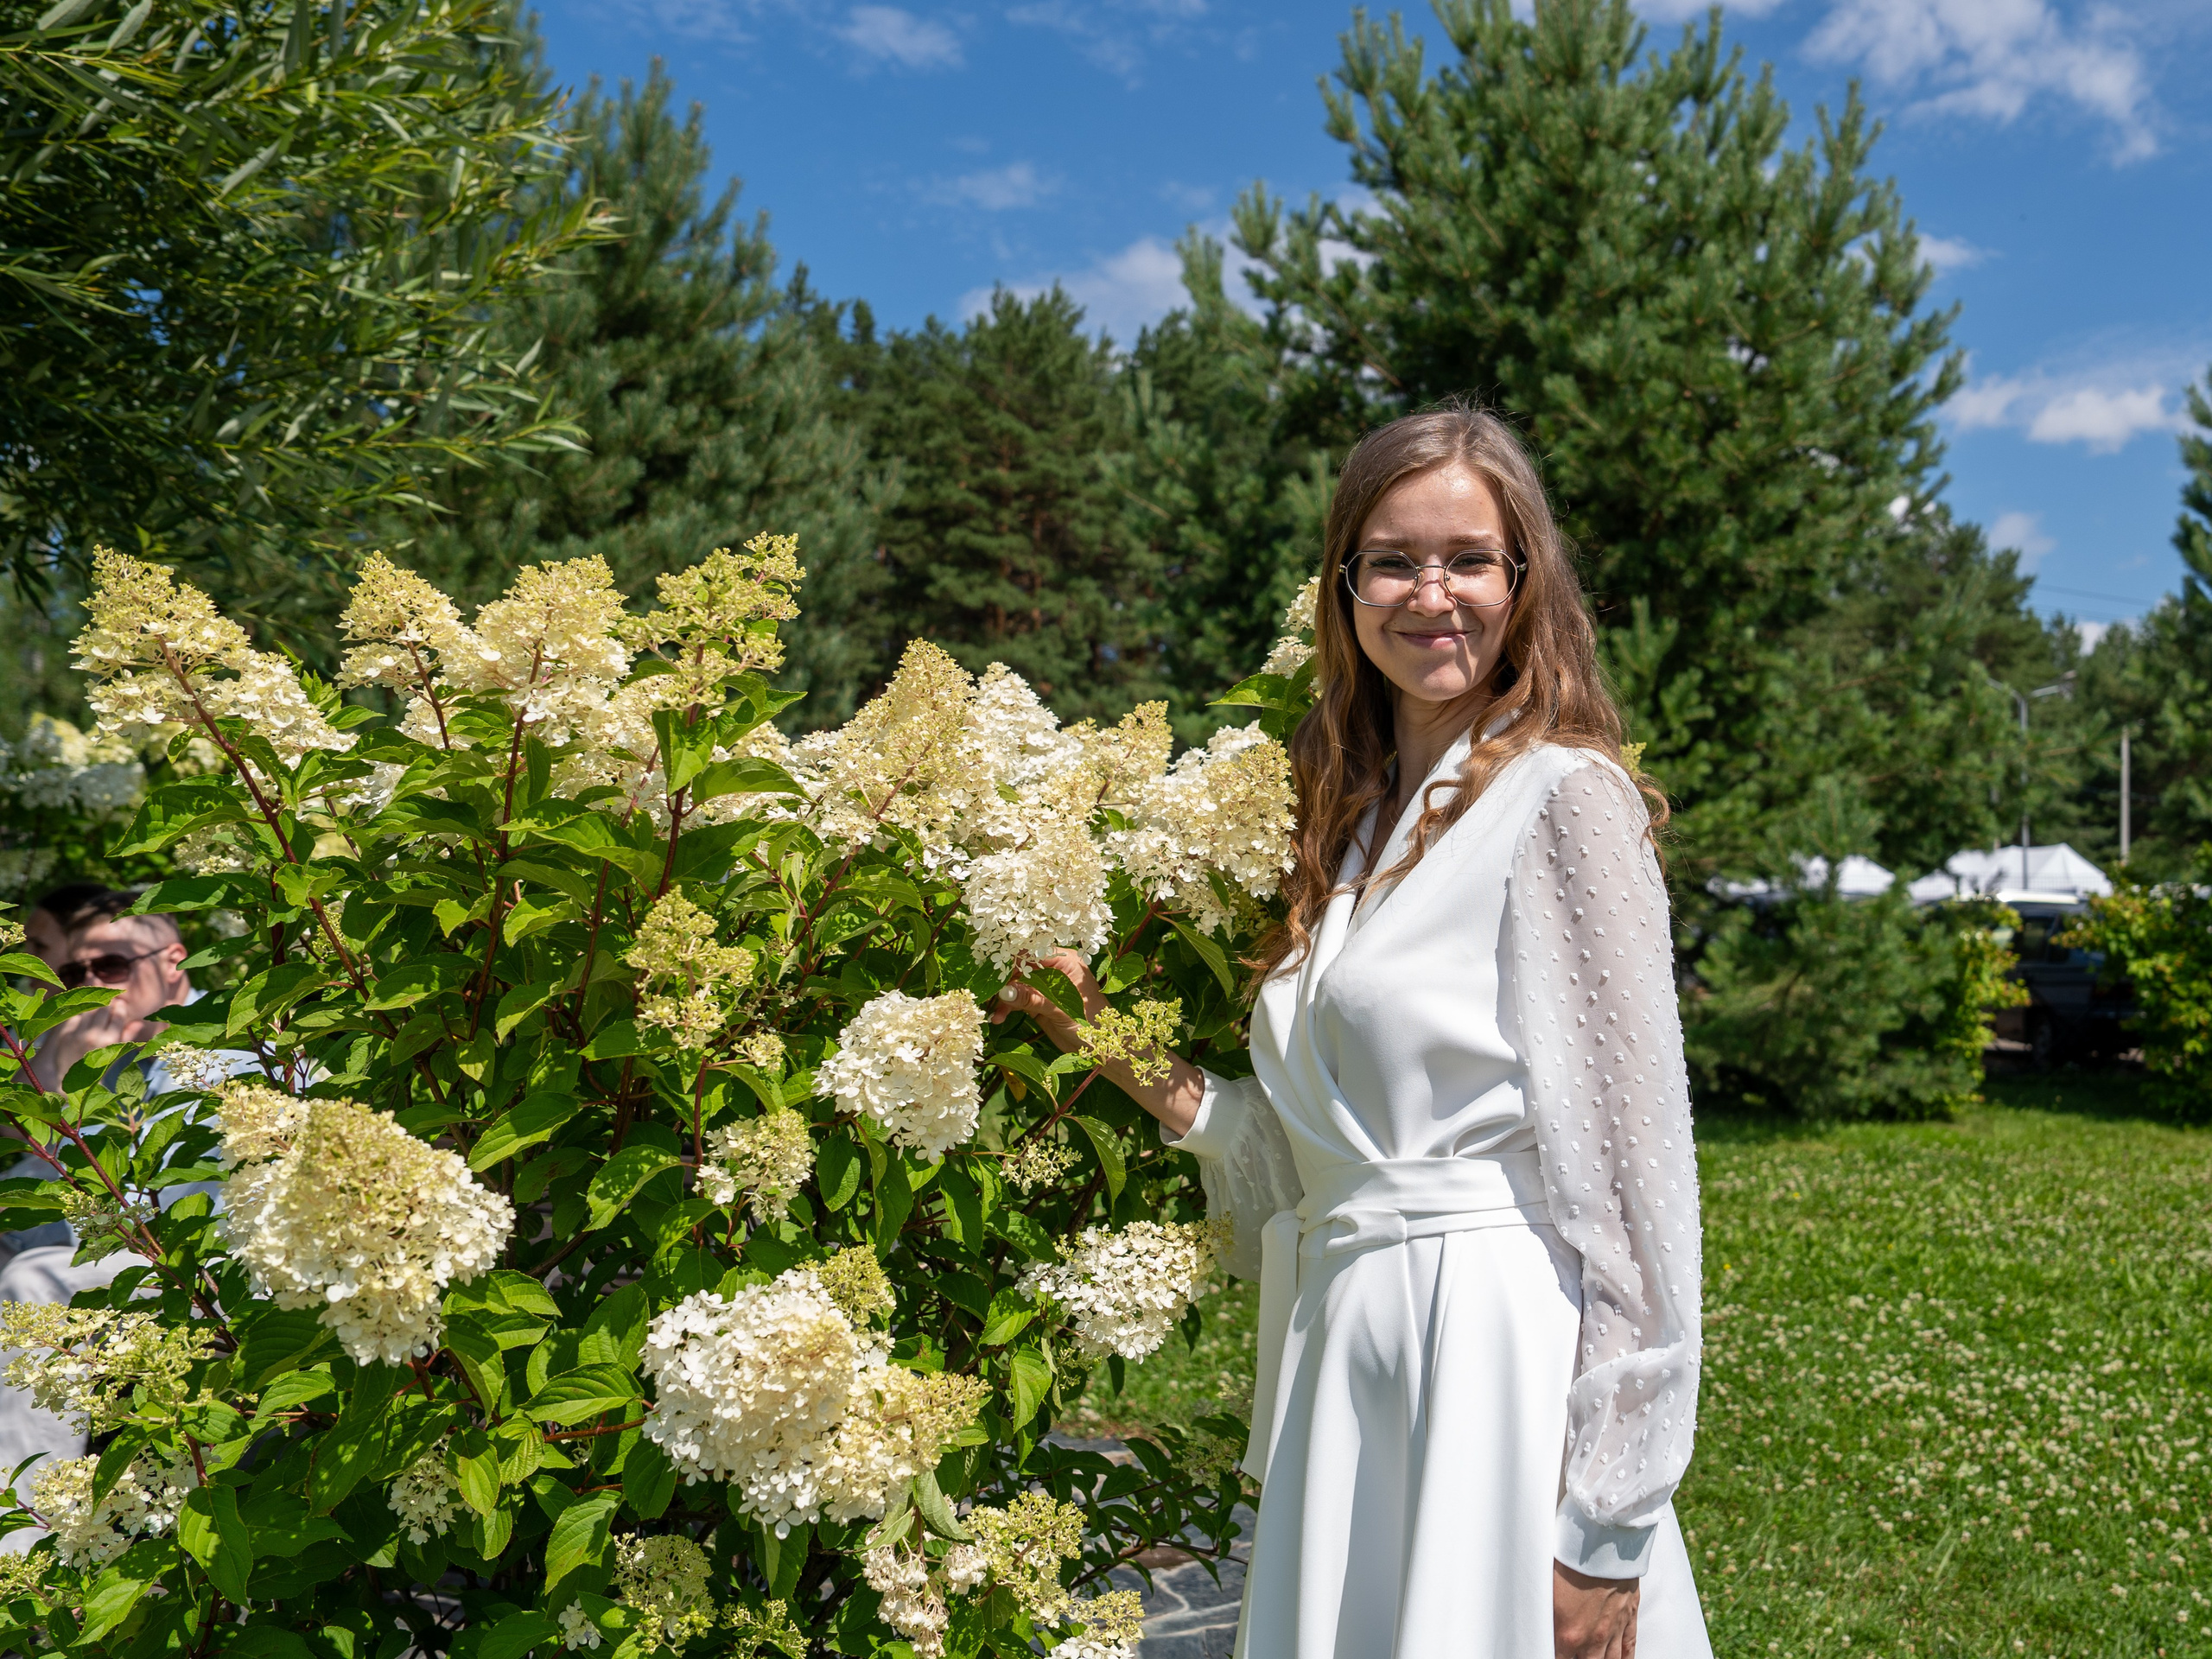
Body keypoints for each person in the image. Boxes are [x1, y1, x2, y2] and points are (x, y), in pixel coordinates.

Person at [995, 405, 1708, 1659]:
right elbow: (1327, 1164)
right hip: (1352, 1355)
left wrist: (1605, 1525)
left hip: (1491, 1361)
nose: (1433, 594)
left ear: (1523, 581)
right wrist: (1110, 1044)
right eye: (1392, 560)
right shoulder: (1356, 823)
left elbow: (1638, 1192)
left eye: (1470, 559)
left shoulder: (1563, 800)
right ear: (1345, 587)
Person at [0, 889, 250, 1535]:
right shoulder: (109, 1057)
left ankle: (22, 1546)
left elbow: (153, 1229)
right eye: (73, 975)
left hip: (216, 1275)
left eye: (110, 966)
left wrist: (62, 1090)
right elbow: (28, 1220)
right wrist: (57, 1081)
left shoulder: (226, 1055)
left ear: (172, 961)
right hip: (135, 1274)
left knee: (36, 1286)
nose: (92, 987)